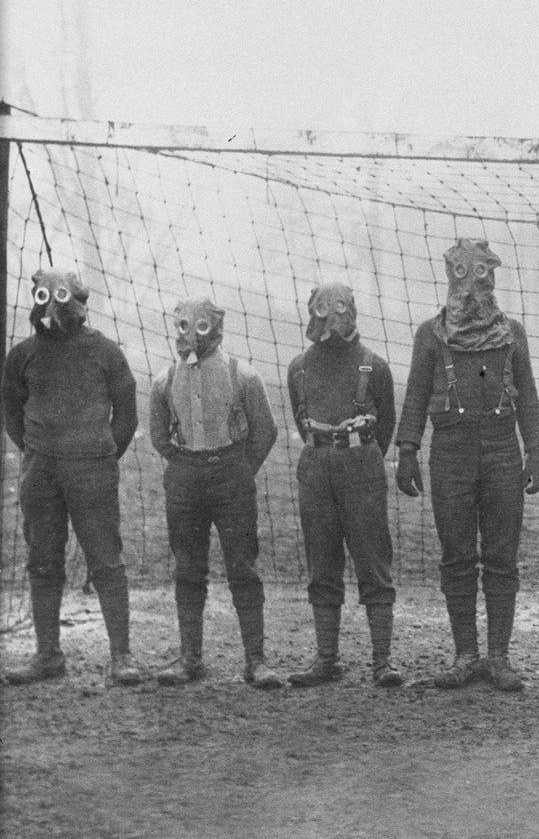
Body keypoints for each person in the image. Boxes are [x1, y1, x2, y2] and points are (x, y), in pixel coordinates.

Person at [395, 238, 539, 692]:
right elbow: (417, 394)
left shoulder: (512, 333)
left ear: (492, 278)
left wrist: (536, 451)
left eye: (481, 275)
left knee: (501, 557)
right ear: (450, 279)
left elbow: (529, 398)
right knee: (457, 555)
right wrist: (406, 449)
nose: (471, 290)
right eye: (462, 276)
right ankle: (465, 655)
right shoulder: (431, 334)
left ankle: (498, 658)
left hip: (501, 450)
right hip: (451, 453)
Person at [2, 267, 139, 686]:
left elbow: (127, 415)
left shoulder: (105, 351)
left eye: (62, 298)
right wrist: (39, 453)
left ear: (78, 302)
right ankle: (47, 655)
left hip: (92, 470)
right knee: (43, 561)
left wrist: (99, 453)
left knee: (105, 561)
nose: (54, 307)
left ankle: (122, 657)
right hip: (42, 472)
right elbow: (12, 414)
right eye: (45, 297)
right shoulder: (22, 355)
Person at [149, 296, 280, 687]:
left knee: (243, 566)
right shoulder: (164, 379)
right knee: (188, 567)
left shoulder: (244, 376)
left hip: (231, 476)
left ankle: (255, 661)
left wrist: (239, 471)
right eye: (184, 325)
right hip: (186, 478)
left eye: (201, 325)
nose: (192, 334)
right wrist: (187, 464)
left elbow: (266, 432)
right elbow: (159, 436)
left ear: (216, 327)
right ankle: (190, 658)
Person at [285, 282, 401, 688]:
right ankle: (326, 658)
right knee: (322, 560)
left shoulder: (374, 366)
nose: (330, 318)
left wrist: (361, 454)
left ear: (352, 311)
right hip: (316, 465)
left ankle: (382, 661)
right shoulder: (298, 367)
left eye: (339, 308)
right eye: (321, 309)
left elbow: (385, 424)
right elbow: (301, 420)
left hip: (361, 466)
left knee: (373, 559)